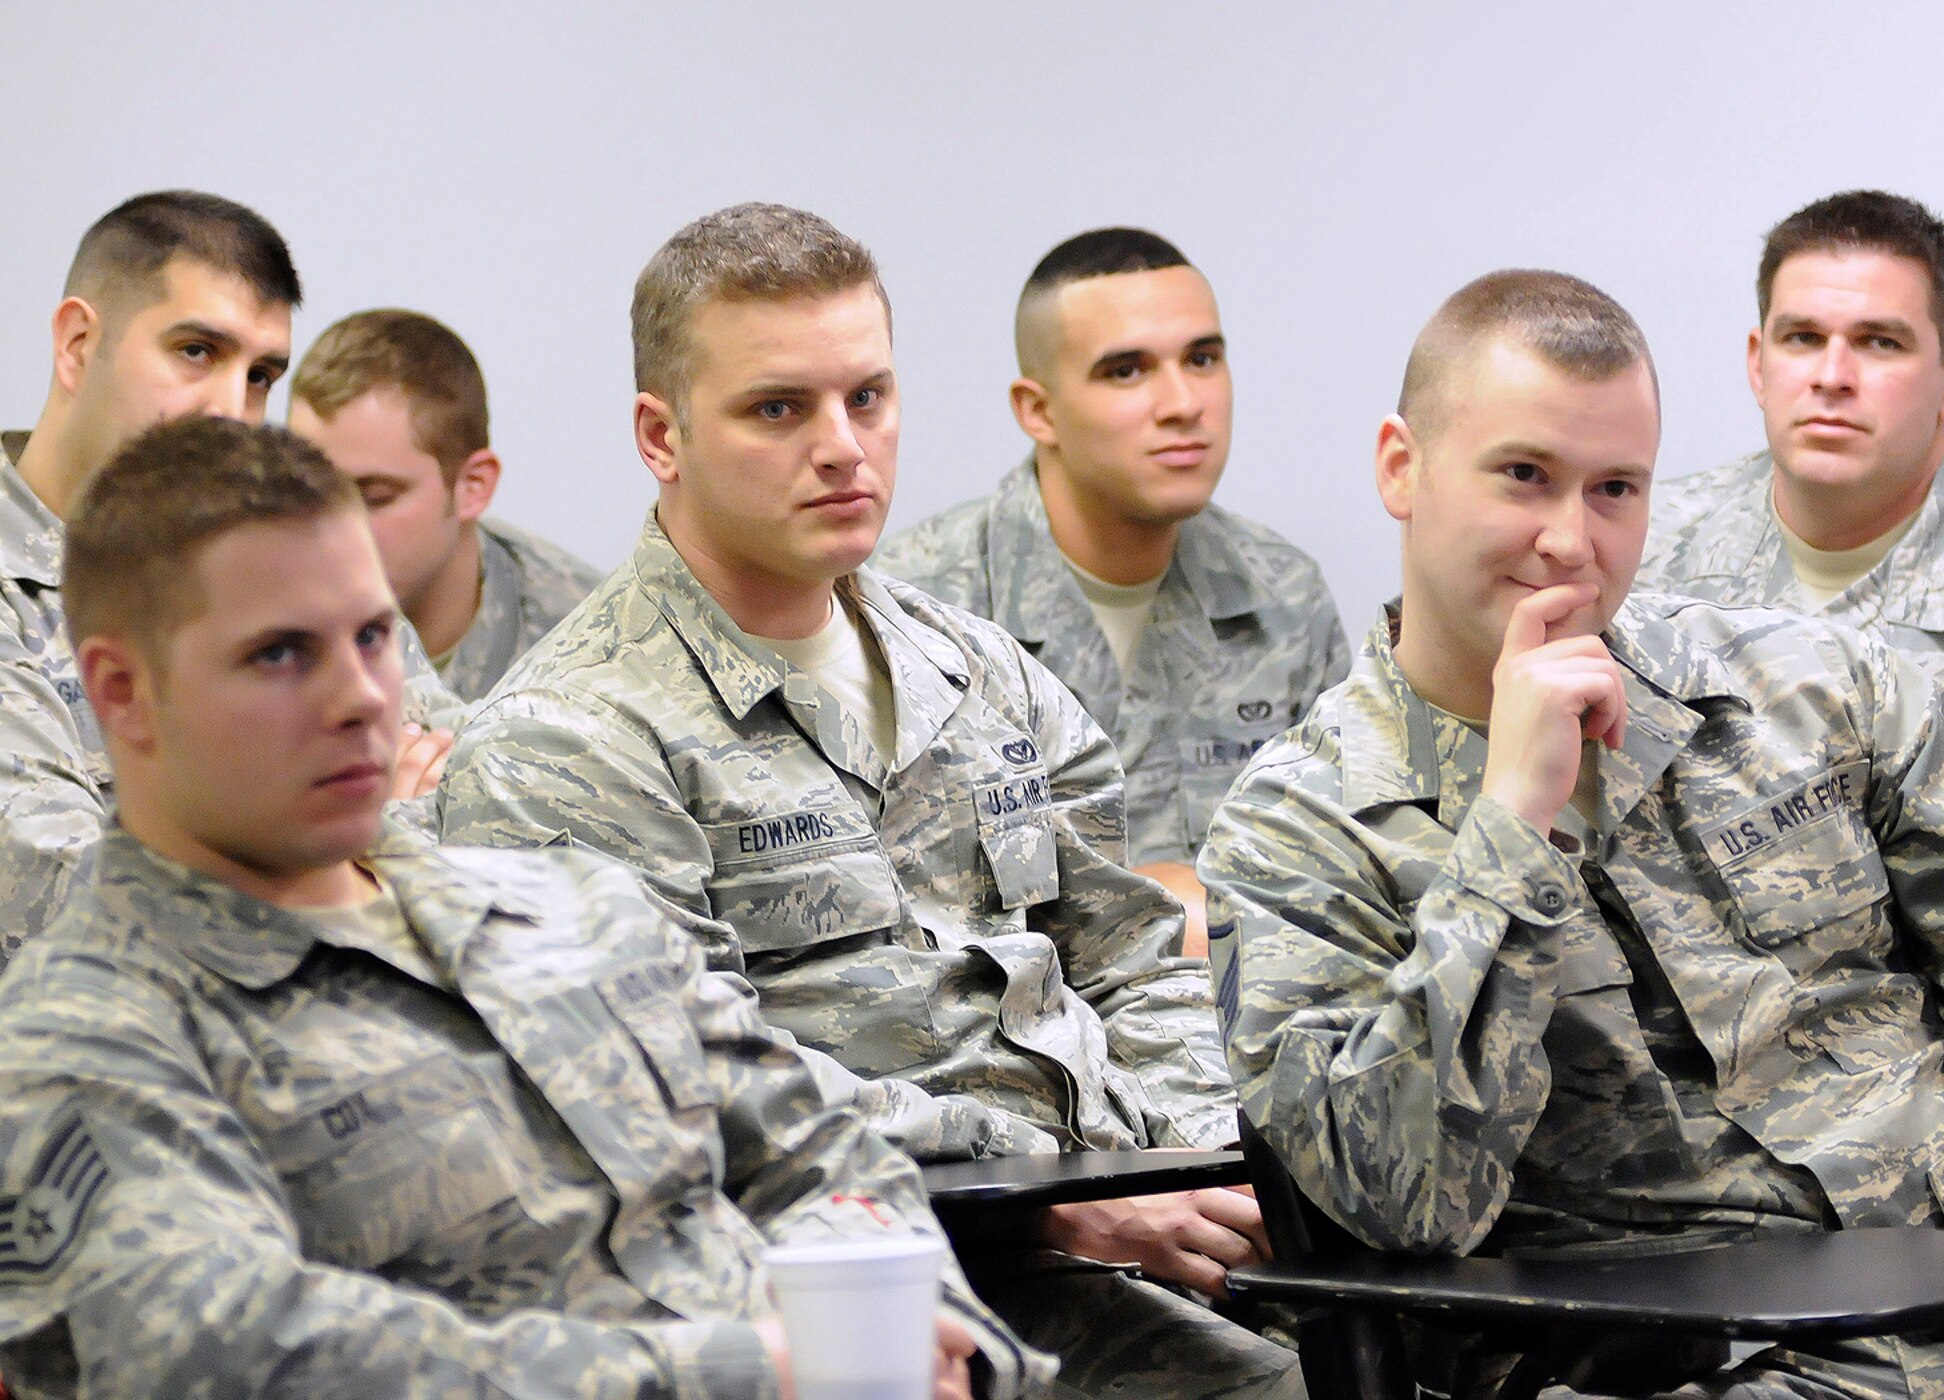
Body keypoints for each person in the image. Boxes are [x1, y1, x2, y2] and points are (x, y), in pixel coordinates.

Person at [437, 203, 1303, 1400]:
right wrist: (1057, 1199)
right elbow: (689, 1100)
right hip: (869, 1277)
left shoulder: (978, 669)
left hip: (1140, 1216)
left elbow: (1131, 958)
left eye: (869, 397)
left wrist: (1210, 1164)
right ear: (661, 433)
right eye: (778, 408)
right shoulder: (567, 740)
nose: (843, 447)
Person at [0, 414, 1045, 1399]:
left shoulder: (570, 904)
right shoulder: (86, 1031)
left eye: (373, 636)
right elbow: (244, 1351)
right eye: (281, 653)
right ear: (122, 692)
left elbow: (821, 1154)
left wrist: (913, 1336)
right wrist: (746, 1368)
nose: (363, 695)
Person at [1202, 267, 1944, 1396]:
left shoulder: (1809, 687)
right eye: (1523, 476)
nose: (1570, 540)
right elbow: (1404, 1200)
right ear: (1401, 466)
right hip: (1702, 1361)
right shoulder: (1298, 828)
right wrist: (1508, 823)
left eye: (1614, 487)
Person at [0, 191, 454, 963]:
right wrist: (386, 833)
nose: (230, 411)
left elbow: (490, 777)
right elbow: (86, 907)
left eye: (261, 376)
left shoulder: (279, 556)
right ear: (78, 343)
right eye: (196, 352)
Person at [875, 228, 1348, 954]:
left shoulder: (1280, 593)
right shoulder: (920, 610)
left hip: (1245, 1044)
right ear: (1039, 410)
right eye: (1126, 371)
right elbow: (887, 920)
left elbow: (1342, 875)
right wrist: (1148, 919)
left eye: (1202, 359)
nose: (1183, 402)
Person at [1640, 190, 1944, 728]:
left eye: (1879, 342)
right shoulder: (1638, 549)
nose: (1832, 377)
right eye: (1802, 337)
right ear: (1760, 366)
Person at [289, 309, 602, 699]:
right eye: (309, 493)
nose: (331, 531)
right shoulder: (247, 608)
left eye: (374, 498)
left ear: (473, 486)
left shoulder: (593, 647)